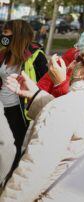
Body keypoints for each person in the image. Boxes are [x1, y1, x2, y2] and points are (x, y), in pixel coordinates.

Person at [0, 42, 84, 201]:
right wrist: (35, 94)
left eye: (78, 60)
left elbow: (32, 172)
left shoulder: (66, 107)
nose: (71, 64)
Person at [0, 20, 47, 170]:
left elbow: (45, 84)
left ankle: (9, 180)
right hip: (1, 107)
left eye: (6, 32)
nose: (3, 35)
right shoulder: (3, 55)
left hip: (19, 111)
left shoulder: (36, 56)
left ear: (17, 35)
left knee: (15, 147)